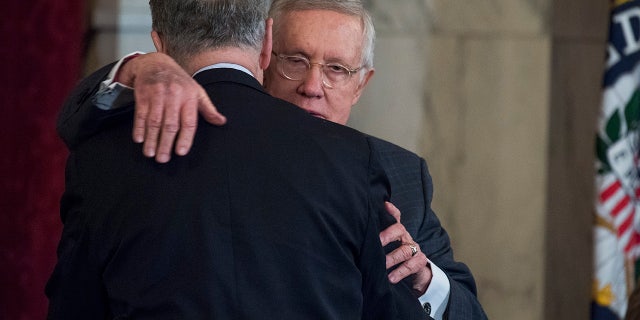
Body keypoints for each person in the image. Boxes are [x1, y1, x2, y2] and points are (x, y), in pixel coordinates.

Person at [57, 0, 487, 318]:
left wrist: (428, 281)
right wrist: (139, 67)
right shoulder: (165, 137)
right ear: (265, 55)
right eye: (295, 61)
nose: (313, 86)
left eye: (337, 69)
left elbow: (468, 309)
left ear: (362, 84)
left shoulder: (394, 172)